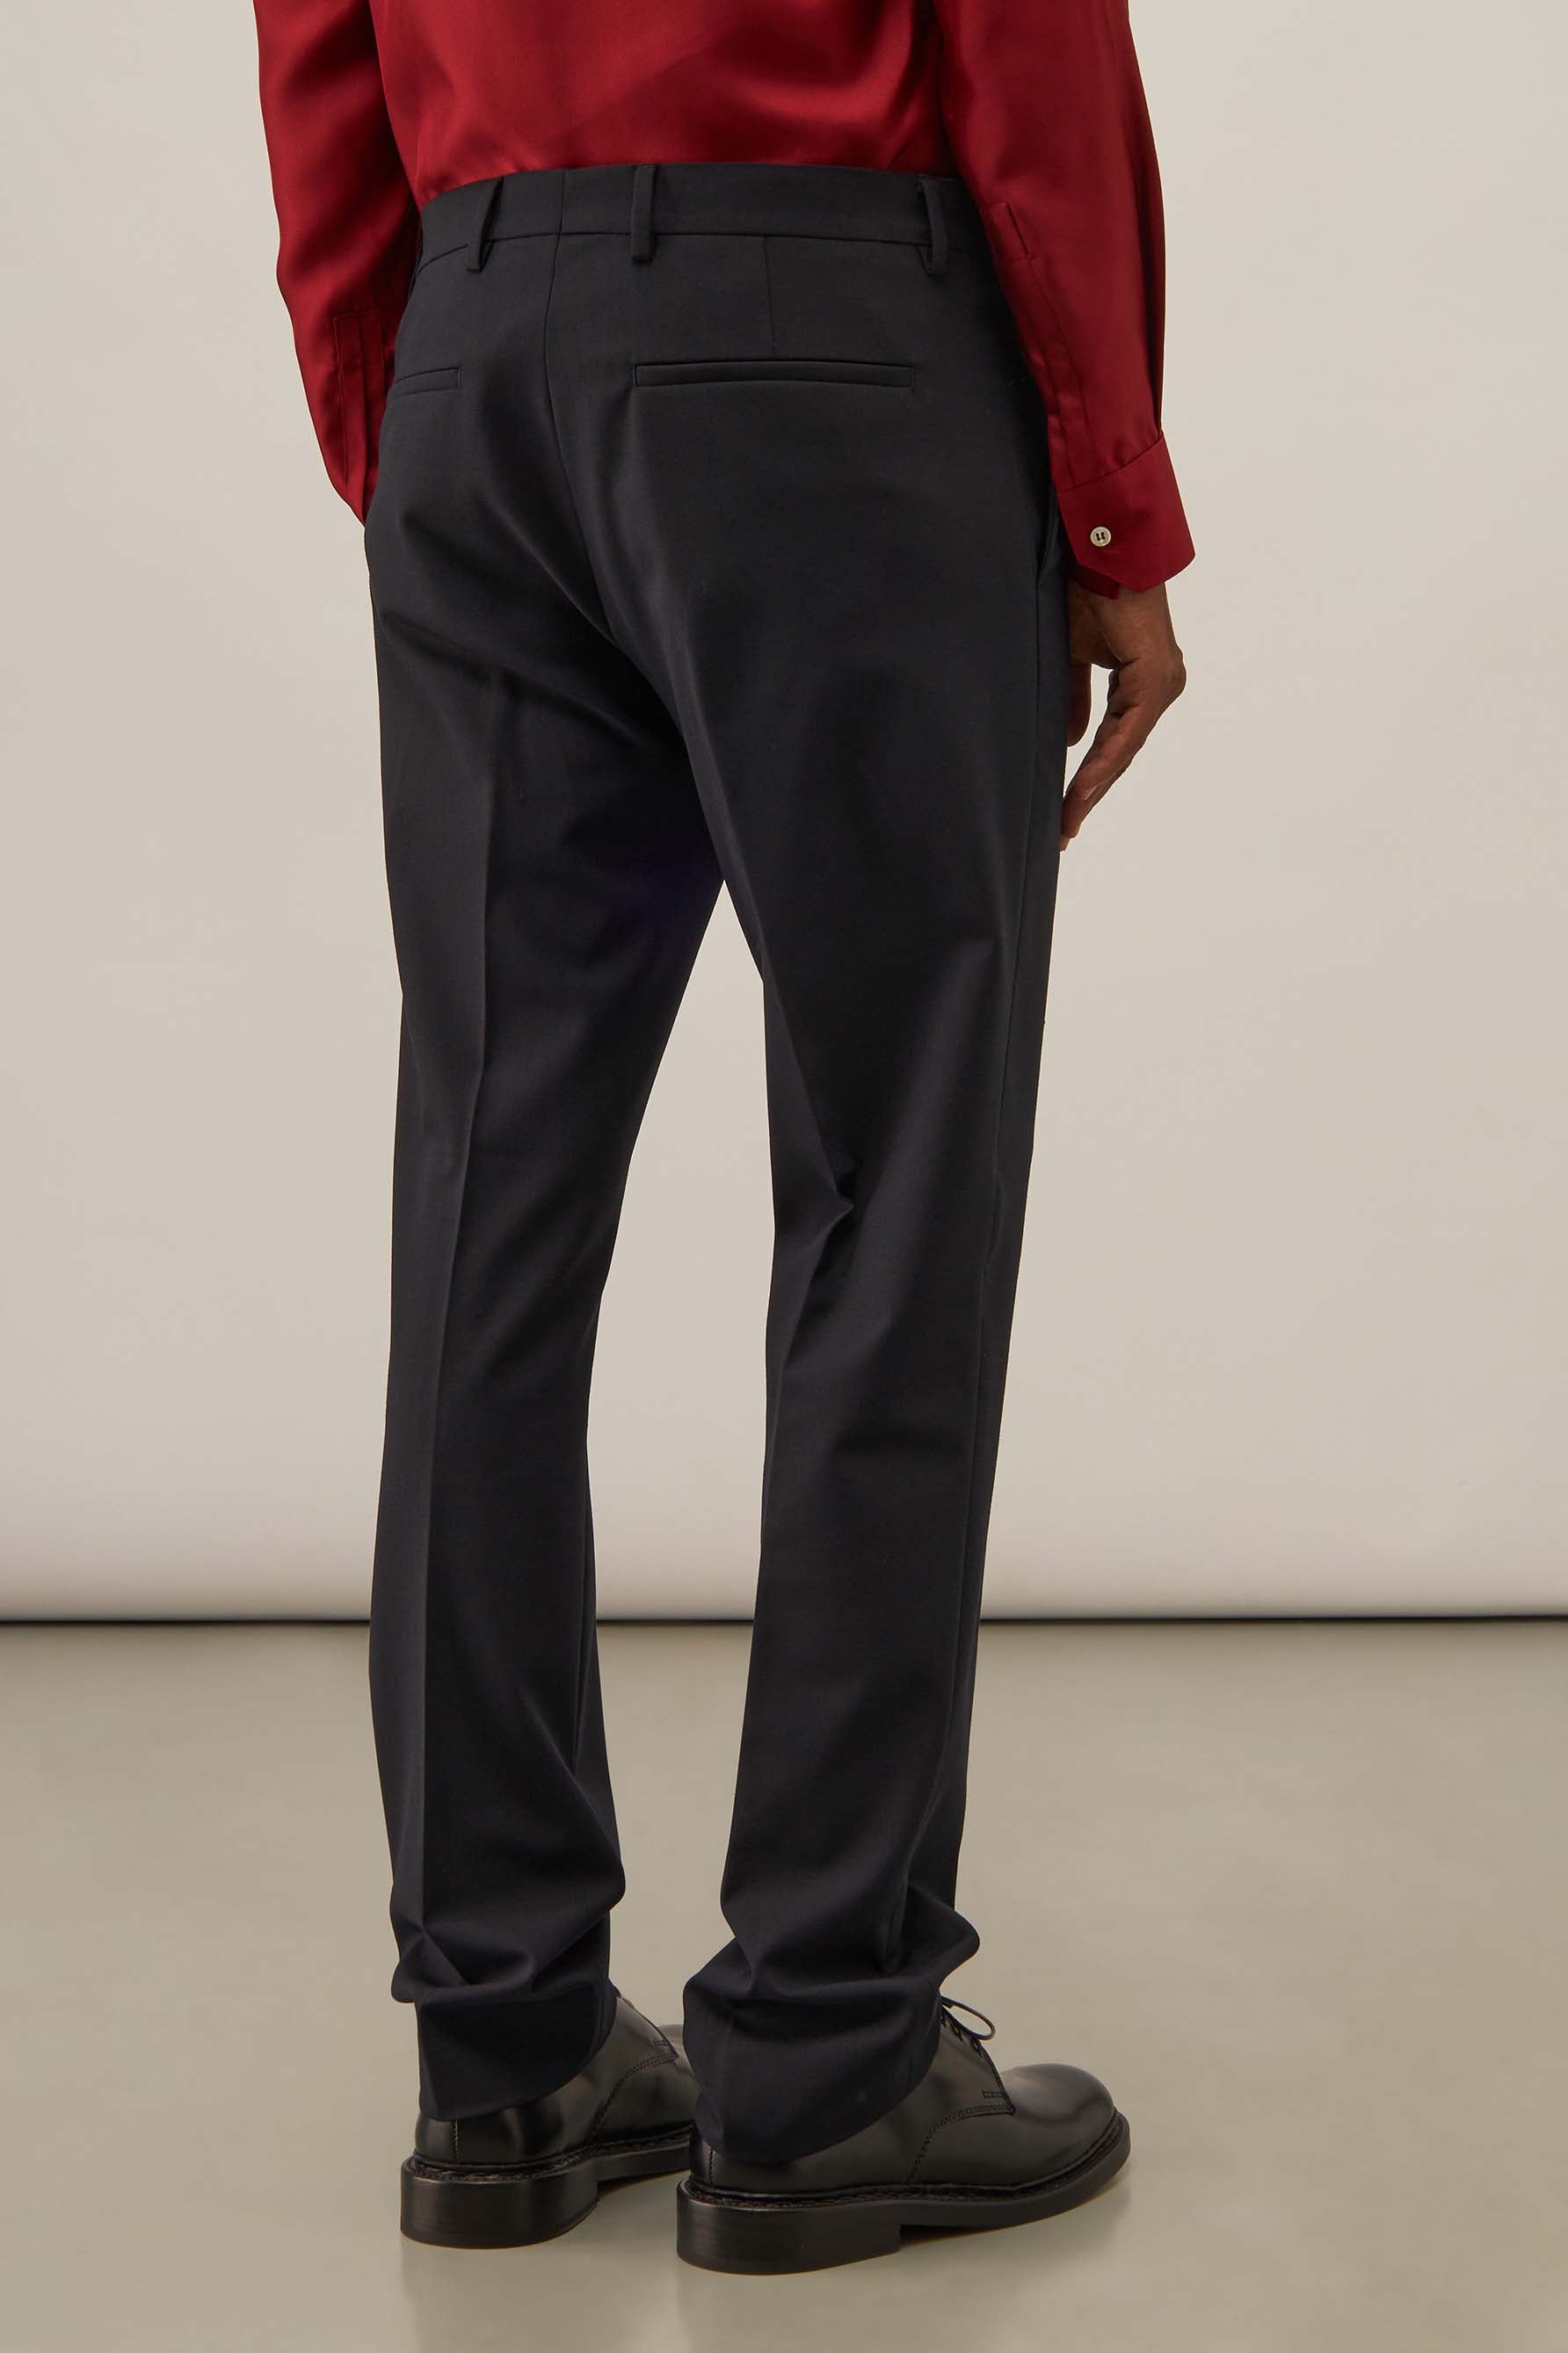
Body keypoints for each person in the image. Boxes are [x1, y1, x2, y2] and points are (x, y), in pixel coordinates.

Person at [250, 0, 1190, 2277]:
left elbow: (311, 48)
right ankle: (831, 2051)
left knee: (485, 1205)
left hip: (478, 343)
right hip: (831, 349)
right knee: (893, 1180)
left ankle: (502, 2052)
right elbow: (1029, 47)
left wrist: (414, 391)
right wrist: (1109, 494)